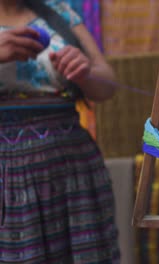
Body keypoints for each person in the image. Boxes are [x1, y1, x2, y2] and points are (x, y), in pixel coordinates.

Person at [0, 0, 120, 263]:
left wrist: (85, 73)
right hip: (6, 178)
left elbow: (107, 84)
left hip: (74, 169)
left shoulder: (57, 10)